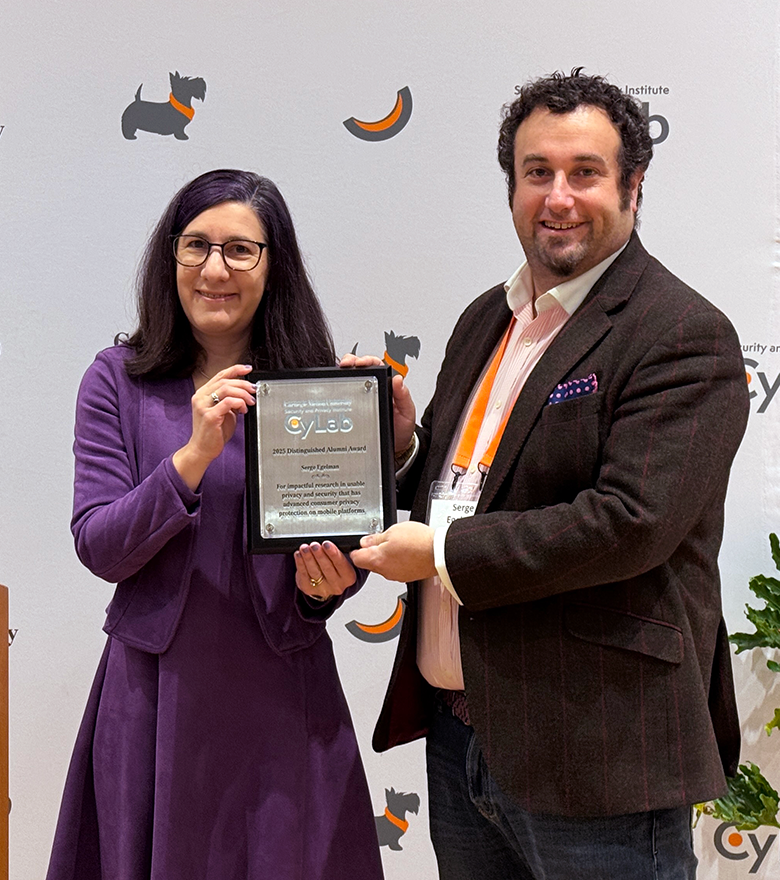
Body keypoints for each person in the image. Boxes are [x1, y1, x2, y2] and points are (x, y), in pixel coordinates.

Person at [349, 69, 750, 879]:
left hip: (596, 754)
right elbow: (468, 487)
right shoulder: (485, 318)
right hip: (464, 741)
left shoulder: (681, 333)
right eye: (537, 173)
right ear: (510, 188)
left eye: (583, 173)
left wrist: (437, 556)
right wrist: (398, 450)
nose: (557, 197)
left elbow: (626, 522)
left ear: (633, 186)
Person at [46, 169, 382, 879]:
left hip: (281, 691)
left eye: (239, 250)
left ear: (273, 264)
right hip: (154, 697)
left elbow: (334, 557)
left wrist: (325, 587)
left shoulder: (315, 390)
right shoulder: (117, 379)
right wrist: (191, 457)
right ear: (170, 259)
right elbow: (101, 545)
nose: (214, 269)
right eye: (195, 246)